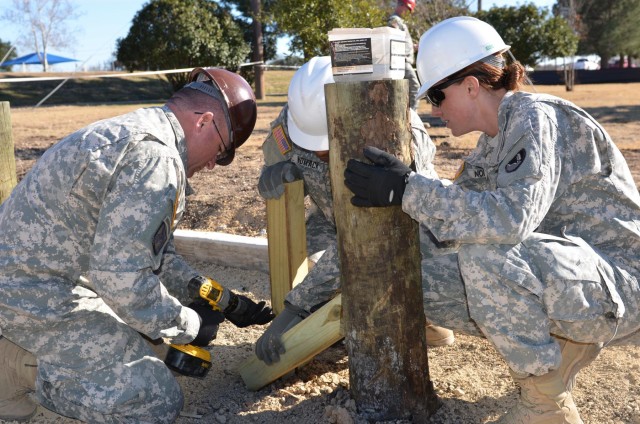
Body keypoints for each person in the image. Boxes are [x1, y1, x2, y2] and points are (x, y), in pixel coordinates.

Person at [344, 16, 640, 423]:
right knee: (418, 281)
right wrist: (401, 190)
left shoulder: (534, 116)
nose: (434, 110)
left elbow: (510, 220)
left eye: (437, 96)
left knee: (486, 253)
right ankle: (564, 349)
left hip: (623, 285)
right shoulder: (491, 147)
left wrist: (408, 189)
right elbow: (448, 227)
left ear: (470, 85)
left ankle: (545, 407)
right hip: (579, 283)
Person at [0, 67, 274, 423]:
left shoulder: (142, 131)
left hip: (37, 281)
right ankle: (13, 370)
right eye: (220, 152)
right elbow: (122, 279)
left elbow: (154, 255)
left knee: (150, 343)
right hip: (28, 296)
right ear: (204, 122)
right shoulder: (155, 159)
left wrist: (224, 300)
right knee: (153, 398)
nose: (212, 165)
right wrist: (188, 324)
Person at [254, 56, 454, 366]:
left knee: (370, 280)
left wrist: (295, 309)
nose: (319, 154)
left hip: (399, 231)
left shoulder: (397, 132)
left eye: (326, 146)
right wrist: (279, 172)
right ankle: (332, 318)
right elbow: (277, 157)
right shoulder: (296, 117)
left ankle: (425, 319)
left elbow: (363, 237)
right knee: (311, 260)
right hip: (331, 217)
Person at [388, 0, 420, 111]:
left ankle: (409, 117)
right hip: (402, 61)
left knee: (404, 90)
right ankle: (413, 118)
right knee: (415, 87)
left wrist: (413, 47)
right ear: (401, 5)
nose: (409, 13)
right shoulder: (395, 20)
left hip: (404, 60)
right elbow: (394, 38)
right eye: (408, 9)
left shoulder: (399, 21)